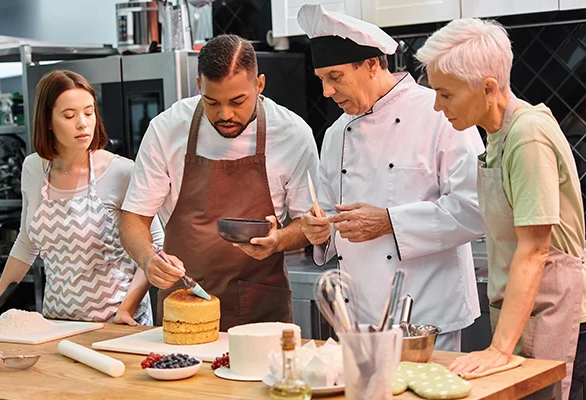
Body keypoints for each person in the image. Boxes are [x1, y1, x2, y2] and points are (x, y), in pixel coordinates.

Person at [297, 4, 485, 352]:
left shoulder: (441, 113)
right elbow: (326, 213)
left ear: (371, 64)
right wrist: (319, 231)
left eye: (335, 77)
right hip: (357, 318)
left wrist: (388, 222)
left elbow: (476, 209)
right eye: (320, 79)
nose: (325, 92)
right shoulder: (336, 133)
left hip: (425, 315)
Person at [416, 18, 585, 400]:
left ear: (488, 87)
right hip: (530, 311)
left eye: (446, 94)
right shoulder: (498, 134)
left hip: (557, 312)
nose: (437, 106)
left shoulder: (527, 135)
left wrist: (498, 349)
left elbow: (535, 248)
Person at [120, 34, 320, 330]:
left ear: (259, 85)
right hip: (184, 307)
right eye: (211, 101)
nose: (225, 114)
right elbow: (133, 220)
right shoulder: (167, 129)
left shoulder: (292, 134)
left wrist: (279, 240)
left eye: (238, 101)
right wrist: (148, 259)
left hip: (260, 313)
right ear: (199, 86)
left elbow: (309, 223)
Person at [0, 70, 164, 325]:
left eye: (89, 112)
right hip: (57, 325)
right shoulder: (34, 168)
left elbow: (154, 245)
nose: (83, 123)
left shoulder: (121, 171)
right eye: (69, 115)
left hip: (117, 325)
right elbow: (26, 244)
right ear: (47, 120)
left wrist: (126, 310)